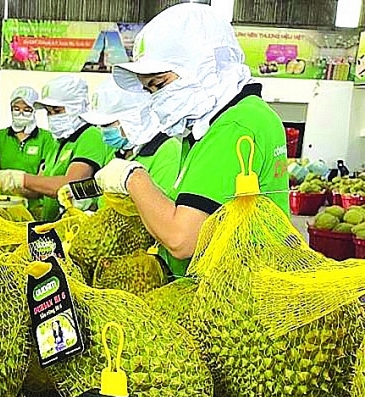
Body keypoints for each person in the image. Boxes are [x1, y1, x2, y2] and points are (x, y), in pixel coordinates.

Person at [88, 3, 289, 278]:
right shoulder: (218, 124)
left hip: (235, 298)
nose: (155, 98)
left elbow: (182, 240)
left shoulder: (234, 126)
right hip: (222, 292)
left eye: (159, 84)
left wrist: (132, 178)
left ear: (203, 65)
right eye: (149, 90)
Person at [0, 75, 115, 222]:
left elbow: (69, 186)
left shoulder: (91, 137)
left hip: (77, 228)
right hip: (53, 225)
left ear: (76, 107)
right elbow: (39, 190)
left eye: (57, 111)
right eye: (49, 112)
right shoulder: (59, 143)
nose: (52, 117)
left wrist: (20, 178)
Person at [78, 78, 183, 216]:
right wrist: (77, 192)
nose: (102, 131)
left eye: (106, 125)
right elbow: (104, 183)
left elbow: (159, 209)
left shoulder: (167, 150)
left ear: (132, 119)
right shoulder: (120, 150)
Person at [0, 87, 57, 175]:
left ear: (34, 111)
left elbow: (43, 173)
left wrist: (24, 184)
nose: (21, 113)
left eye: (27, 110)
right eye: (16, 109)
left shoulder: (46, 137)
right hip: (2, 188)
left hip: (34, 188)